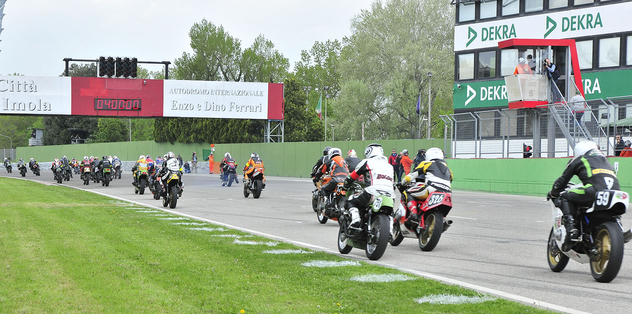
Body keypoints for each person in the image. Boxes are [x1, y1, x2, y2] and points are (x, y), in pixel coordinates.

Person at [547, 141, 619, 251]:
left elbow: (561, 181)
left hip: (594, 190)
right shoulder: (606, 161)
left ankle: (571, 229)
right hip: (615, 193)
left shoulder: (580, 159)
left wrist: (553, 193)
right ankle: (618, 228)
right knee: (613, 212)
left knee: (565, 196)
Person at [344, 143, 395, 228]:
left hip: (372, 192)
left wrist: (345, 185)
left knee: (350, 200)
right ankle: (390, 228)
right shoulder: (390, 166)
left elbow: (352, 177)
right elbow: (393, 184)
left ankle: (356, 218)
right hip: (390, 196)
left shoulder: (366, 162)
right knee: (390, 212)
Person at [400, 147, 453, 222]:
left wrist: (403, 182)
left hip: (431, 188)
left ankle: (413, 214)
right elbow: (450, 183)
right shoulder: (449, 170)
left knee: (407, 192)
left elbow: (411, 176)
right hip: (447, 193)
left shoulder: (426, 163)